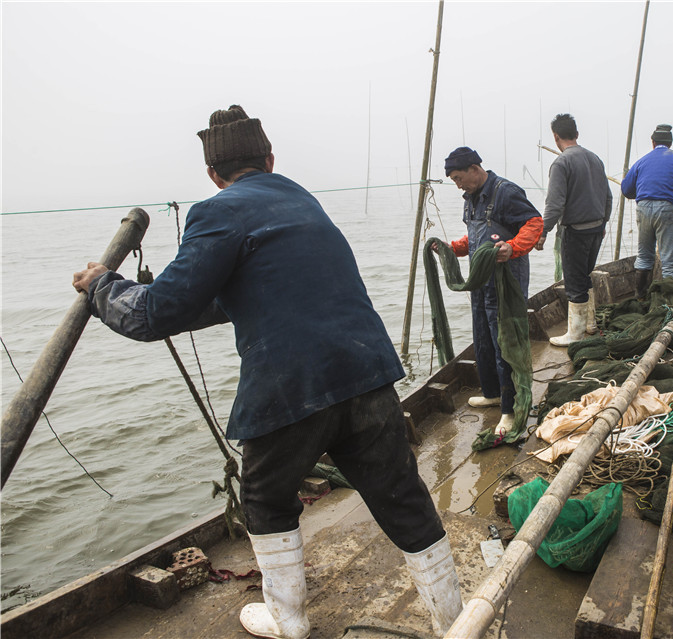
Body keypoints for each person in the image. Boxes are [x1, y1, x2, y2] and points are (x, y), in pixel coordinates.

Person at [72, 105, 462, 639]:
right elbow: (237, 295)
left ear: (213, 175)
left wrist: (101, 286)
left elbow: (153, 315)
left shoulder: (216, 211)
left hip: (292, 383)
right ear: (270, 160)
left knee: (263, 497)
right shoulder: (302, 199)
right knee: (401, 494)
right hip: (366, 369)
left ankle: (289, 620)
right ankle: (454, 622)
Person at [435, 147, 542, 437]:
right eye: (454, 180)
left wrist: (513, 247)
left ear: (474, 168)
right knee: (483, 338)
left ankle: (509, 409)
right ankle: (493, 393)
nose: (458, 184)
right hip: (481, 282)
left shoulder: (505, 191)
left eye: (459, 178)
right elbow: (476, 237)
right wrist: (451, 248)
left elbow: (534, 223)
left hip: (506, 281)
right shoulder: (470, 199)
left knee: (504, 342)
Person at [535, 113, 613, 346]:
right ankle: (590, 324)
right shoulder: (595, 159)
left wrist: (543, 232)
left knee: (574, 281)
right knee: (584, 276)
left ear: (556, 137)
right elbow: (607, 197)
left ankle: (576, 335)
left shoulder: (562, 163)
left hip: (575, 231)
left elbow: (555, 203)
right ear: (576, 134)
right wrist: (604, 223)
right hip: (596, 228)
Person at [620, 124, 673, 297]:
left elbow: (627, 190)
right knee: (670, 261)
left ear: (653, 142)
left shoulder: (642, 161)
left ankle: (640, 297)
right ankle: (669, 305)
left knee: (644, 256)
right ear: (670, 143)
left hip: (643, 208)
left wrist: (645, 191)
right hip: (666, 209)